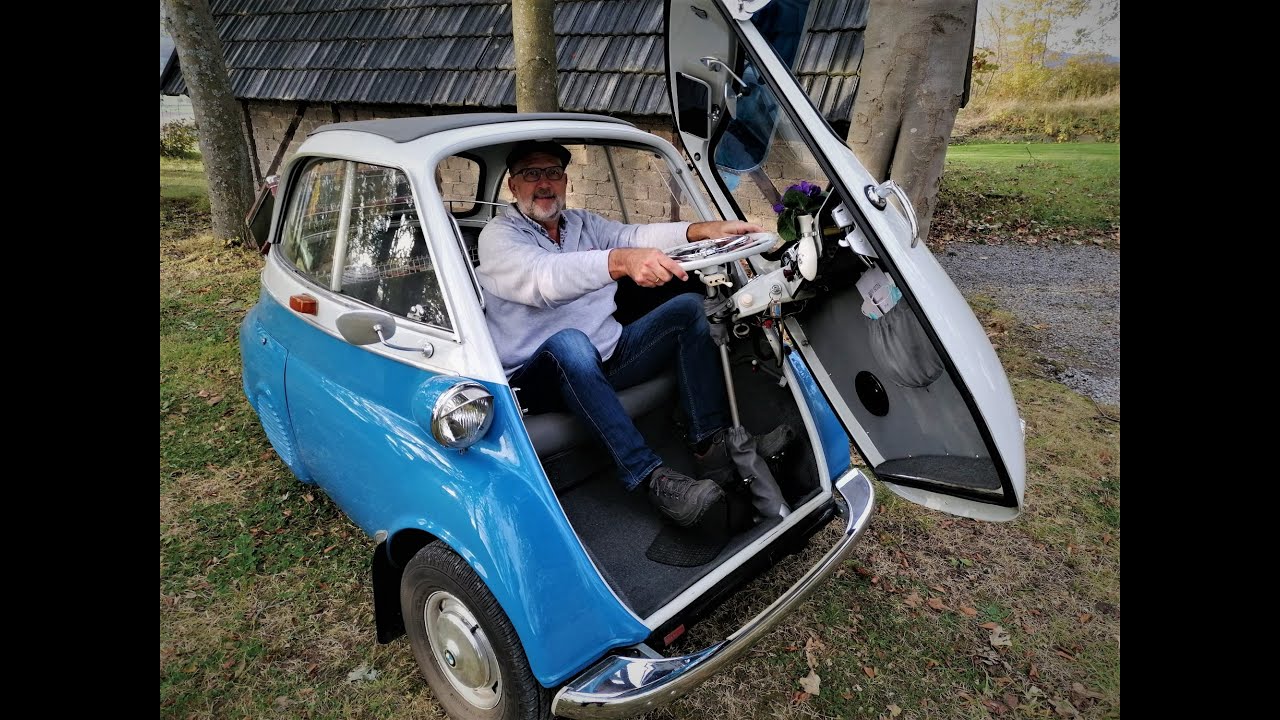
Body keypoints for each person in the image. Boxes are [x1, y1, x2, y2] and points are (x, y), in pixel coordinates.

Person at [475, 140, 762, 527]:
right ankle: (650, 477)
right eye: (531, 174)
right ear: (513, 185)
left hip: (607, 356)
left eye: (553, 173)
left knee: (691, 308)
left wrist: (702, 231)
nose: (544, 183)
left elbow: (635, 235)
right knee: (571, 343)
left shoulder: (583, 223)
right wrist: (619, 261)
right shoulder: (499, 236)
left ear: (565, 181)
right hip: (538, 379)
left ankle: (710, 447)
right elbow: (543, 278)